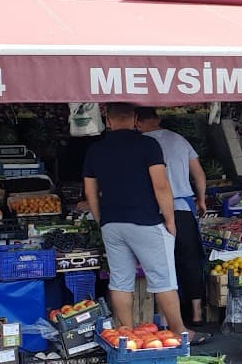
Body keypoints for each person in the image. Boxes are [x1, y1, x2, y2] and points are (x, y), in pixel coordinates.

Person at [82, 103, 209, 344]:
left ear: (107, 121)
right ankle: (181, 332)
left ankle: (127, 335)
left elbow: (90, 192)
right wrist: (170, 220)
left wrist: (101, 219)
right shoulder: (148, 145)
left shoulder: (95, 150)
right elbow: (161, 185)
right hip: (146, 221)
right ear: (134, 120)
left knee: (120, 282)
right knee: (163, 280)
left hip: (112, 224)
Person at [136, 107, 209, 327]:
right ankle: (196, 314)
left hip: (154, 211)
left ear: (137, 123)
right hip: (183, 210)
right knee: (190, 261)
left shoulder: (140, 144)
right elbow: (199, 174)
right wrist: (202, 199)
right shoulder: (179, 139)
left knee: (161, 265)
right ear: (157, 119)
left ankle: (166, 319)